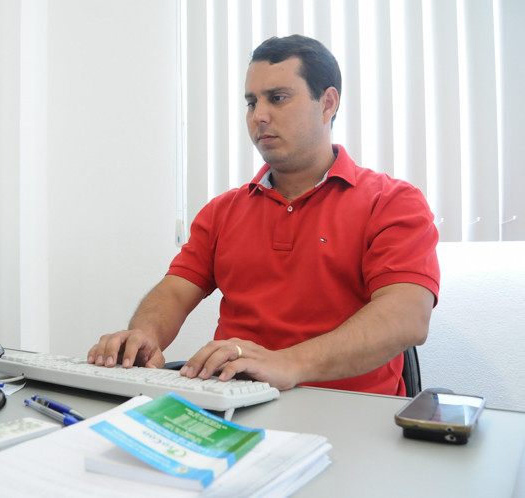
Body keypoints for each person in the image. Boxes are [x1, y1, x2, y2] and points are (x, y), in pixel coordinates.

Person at [87, 34, 440, 396]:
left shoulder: (393, 202)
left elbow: (407, 317)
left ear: (327, 103)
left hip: (349, 412)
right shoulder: (223, 211)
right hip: (231, 405)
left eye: (278, 98)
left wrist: (288, 362)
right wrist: (144, 335)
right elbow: (175, 292)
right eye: (251, 102)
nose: (259, 115)